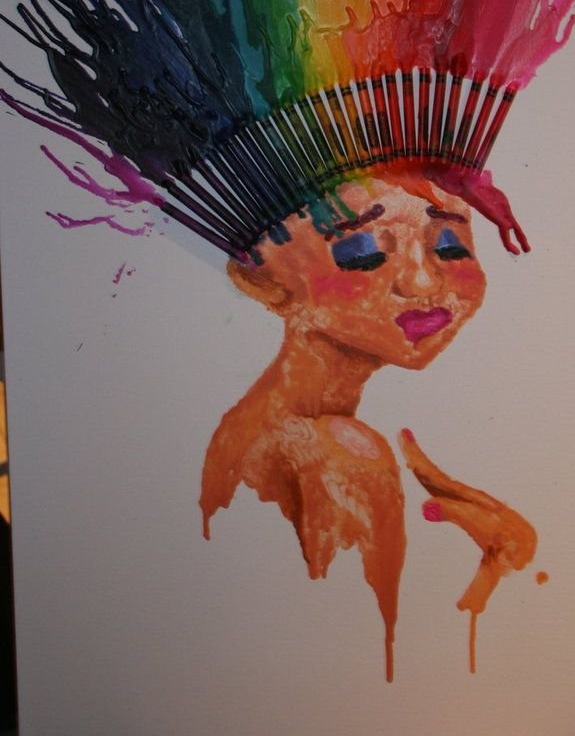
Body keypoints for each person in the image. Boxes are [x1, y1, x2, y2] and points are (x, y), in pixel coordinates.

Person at [200, 175, 535, 680]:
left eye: (449, 245)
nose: (423, 282)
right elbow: (379, 668)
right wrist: (493, 568)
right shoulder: (340, 450)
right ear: (265, 283)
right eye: (362, 252)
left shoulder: (257, 423)